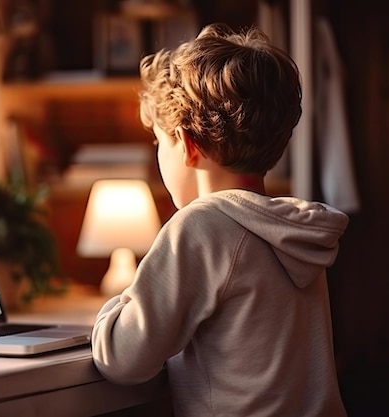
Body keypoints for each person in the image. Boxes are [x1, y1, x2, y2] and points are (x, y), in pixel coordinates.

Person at [91, 23, 348, 416]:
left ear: (188, 145)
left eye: (161, 142)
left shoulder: (202, 226)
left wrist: (112, 310)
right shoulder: (292, 232)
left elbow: (124, 359)